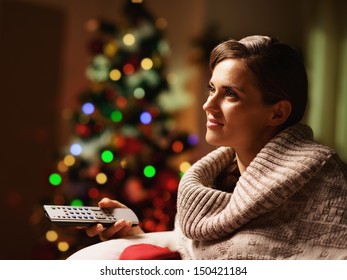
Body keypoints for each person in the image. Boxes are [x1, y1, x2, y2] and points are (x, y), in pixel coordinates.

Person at [83, 35, 347, 260]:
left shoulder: (323, 178)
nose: (208, 105)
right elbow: (193, 248)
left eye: (230, 94)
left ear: (277, 113)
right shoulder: (213, 181)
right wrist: (134, 235)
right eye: (212, 89)